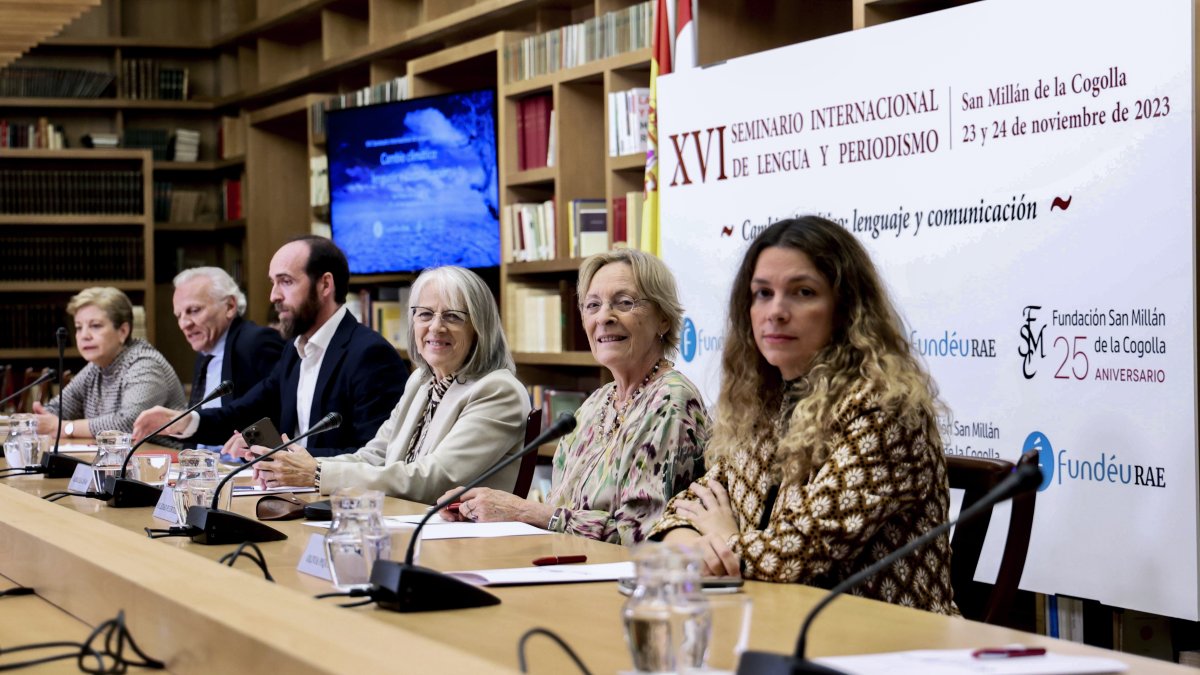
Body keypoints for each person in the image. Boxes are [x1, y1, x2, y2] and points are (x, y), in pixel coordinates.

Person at [650, 216, 956, 615]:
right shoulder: (761, 401)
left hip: (884, 636)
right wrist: (691, 543)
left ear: (846, 308)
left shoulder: (884, 406)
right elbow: (689, 505)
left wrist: (723, 541)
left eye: (803, 292)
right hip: (773, 620)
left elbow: (799, 552)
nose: (776, 311)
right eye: (763, 293)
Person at [439, 249, 709, 546]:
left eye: (624, 302)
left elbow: (639, 535)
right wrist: (485, 508)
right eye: (592, 305)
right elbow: (559, 510)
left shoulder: (671, 400)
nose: (604, 317)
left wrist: (522, 511)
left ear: (664, 319)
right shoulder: (595, 404)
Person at [250, 266, 531, 503]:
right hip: (409, 524)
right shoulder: (421, 381)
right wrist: (299, 465)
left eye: (453, 316)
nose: (435, 327)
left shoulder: (497, 391)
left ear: (480, 328)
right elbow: (374, 456)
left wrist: (316, 474)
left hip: (466, 539)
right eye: (425, 314)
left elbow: (435, 479)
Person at [132, 236, 407, 457]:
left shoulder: (370, 355)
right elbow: (243, 412)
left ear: (325, 285)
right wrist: (185, 421)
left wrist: (283, 455)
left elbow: (375, 457)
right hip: (288, 495)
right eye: (273, 283)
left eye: (286, 282)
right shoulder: (294, 352)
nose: (274, 295)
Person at [33, 287, 186, 443]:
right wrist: (42, 420)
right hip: (119, 455)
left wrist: (66, 428)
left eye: (95, 326)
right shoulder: (96, 367)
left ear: (123, 331)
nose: (84, 335)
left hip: (161, 457)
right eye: (79, 327)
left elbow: (129, 423)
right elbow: (58, 410)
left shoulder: (145, 364)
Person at [172, 266, 284, 407]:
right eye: (178, 316)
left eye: (194, 310)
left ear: (230, 306)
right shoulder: (205, 355)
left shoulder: (256, 342)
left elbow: (280, 406)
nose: (184, 324)